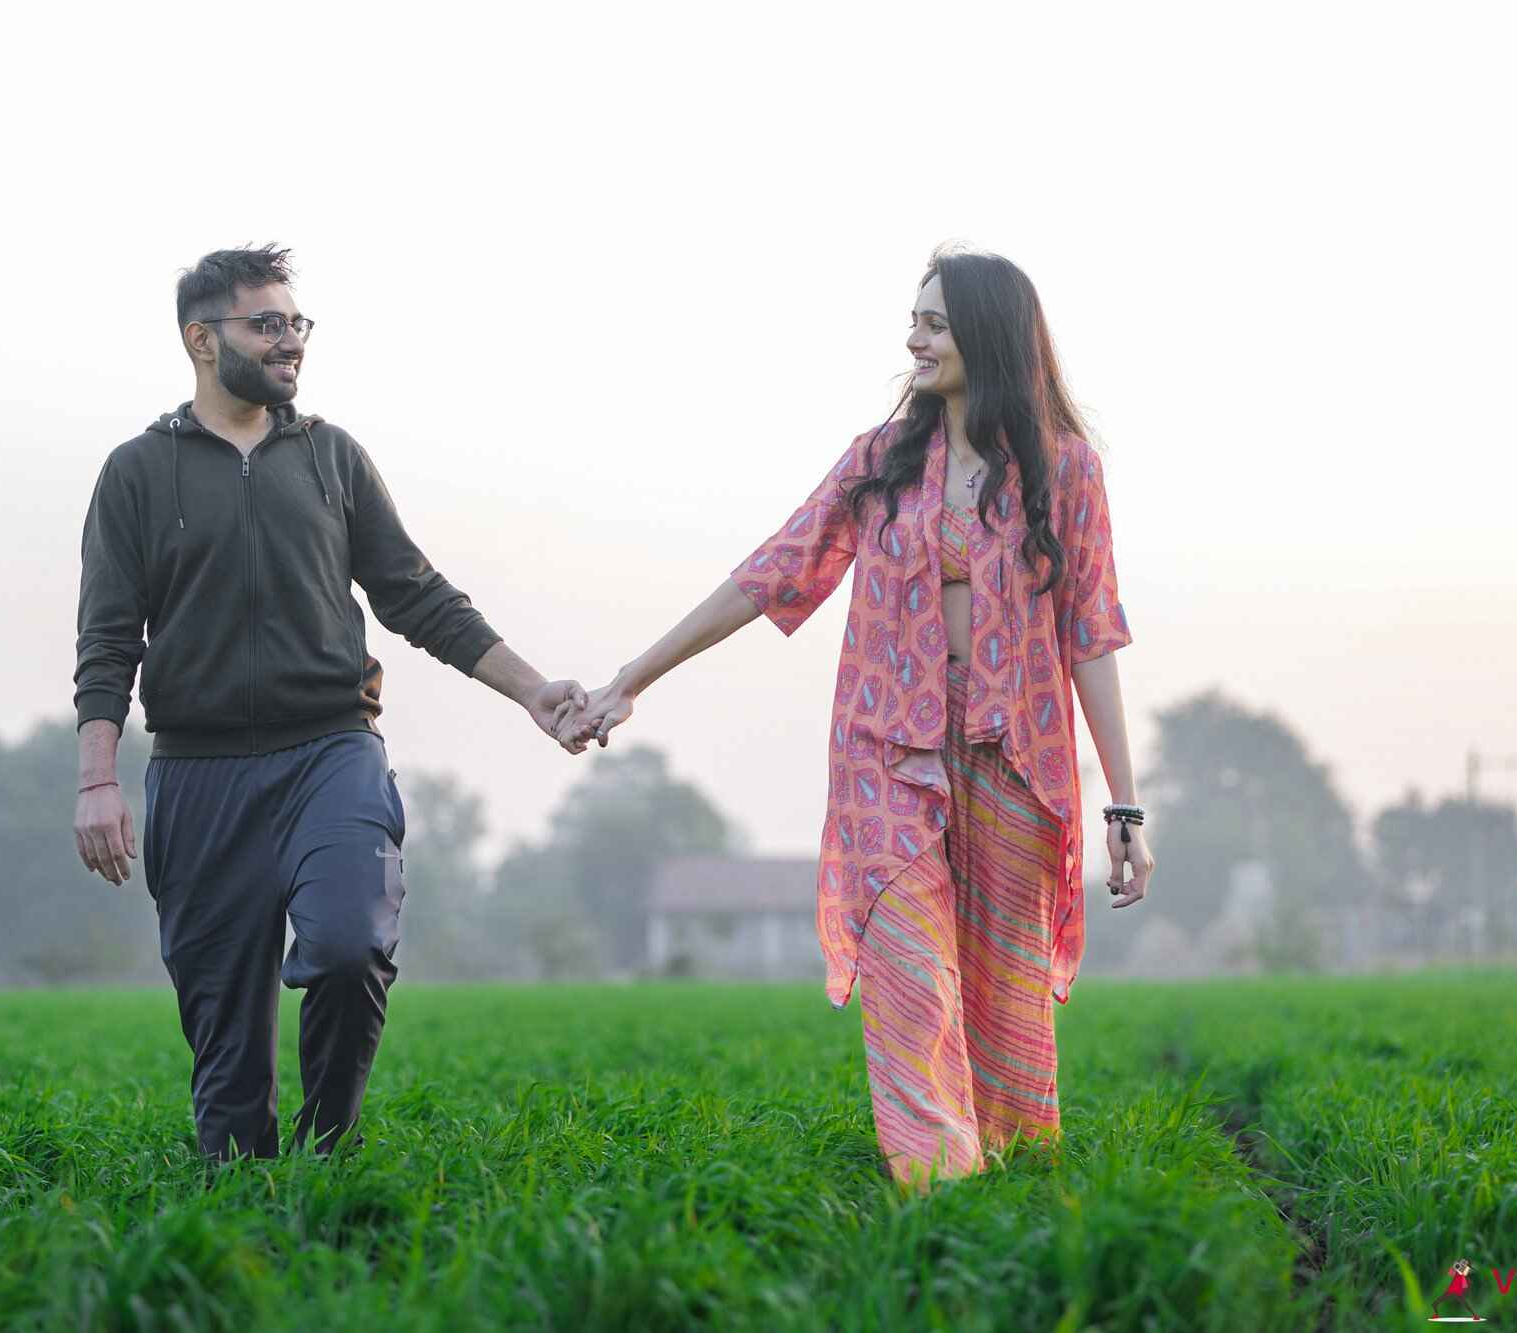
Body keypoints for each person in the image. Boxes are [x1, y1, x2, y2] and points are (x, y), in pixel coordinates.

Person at [564, 246, 1155, 1190]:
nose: (913, 338)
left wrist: (1123, 808)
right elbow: (770, 571)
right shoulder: (882, 461)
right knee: (912, 977)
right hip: (889, 748)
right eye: (914, 320)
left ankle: (1005, 1190)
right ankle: (938, 1191)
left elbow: (1092, 635)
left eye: (935, 322)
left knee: (1002, 991)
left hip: (1013, 752)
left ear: (990, 336)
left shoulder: (1066, 471)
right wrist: (636, 675)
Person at [71, 245, 589, 1165]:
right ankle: (249, 1220)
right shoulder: (137, 473)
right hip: (198, 775)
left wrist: (532, 690)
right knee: (228, 1071)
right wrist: (98, 779)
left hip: (331, 751)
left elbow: (417, 595)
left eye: (295, 324)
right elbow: (109, 642)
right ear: (201, 338)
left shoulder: (331, 458)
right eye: (266, 323)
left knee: (351, 944)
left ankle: (330, 1154)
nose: (290, 343)